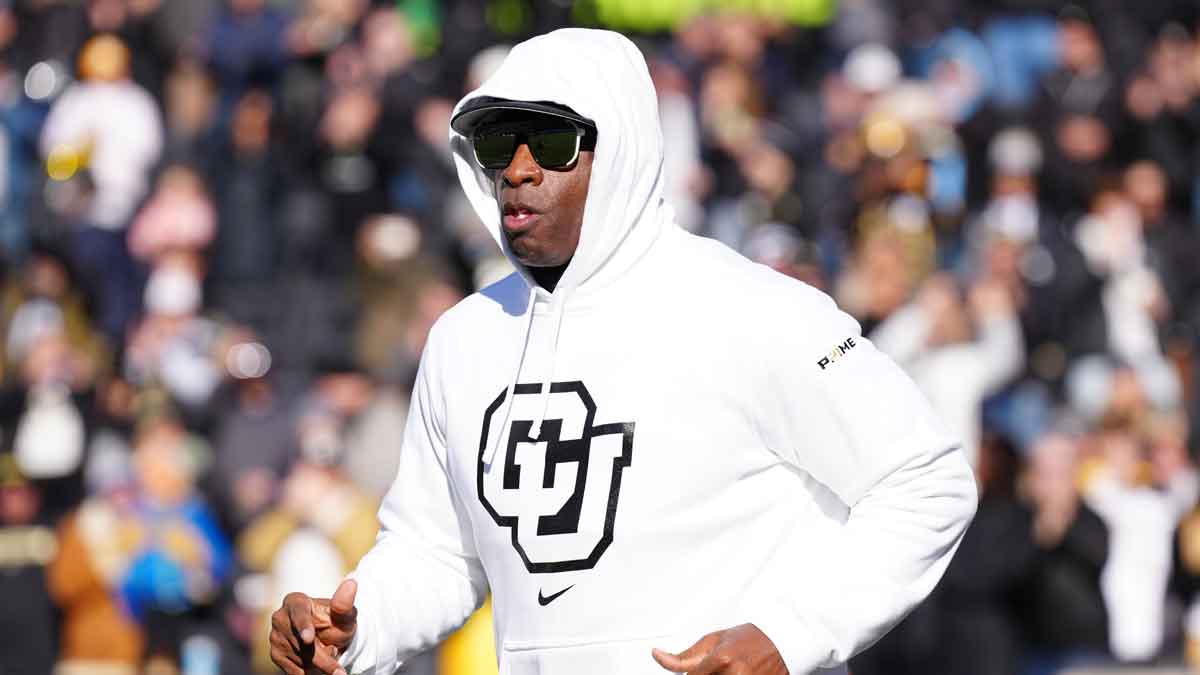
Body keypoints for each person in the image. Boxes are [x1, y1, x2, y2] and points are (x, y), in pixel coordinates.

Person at [268, 29, 978, 675]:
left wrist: (791, 635)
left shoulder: (755, 310)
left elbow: (926, 481)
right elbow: (438, 550)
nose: (516, 169)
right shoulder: (464, 338)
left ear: (622, 149)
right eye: (496, 142)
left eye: (549, 142)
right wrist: (355, 630)